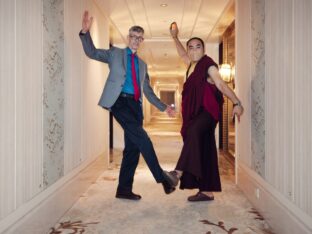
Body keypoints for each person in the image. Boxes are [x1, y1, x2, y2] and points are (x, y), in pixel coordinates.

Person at [78, 11, 178, 201]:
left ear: (142, 41)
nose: (136, 40)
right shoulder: (115, 53)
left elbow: (147, 91)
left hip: (135, 106)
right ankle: (163, 178)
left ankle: (123, 189)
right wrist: (85, 33)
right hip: (119, 102)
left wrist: (165, 107)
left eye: (140, 38)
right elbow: (92, 52)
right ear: (128, 37)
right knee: (144, 139)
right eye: (133, 36)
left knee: (133, 149)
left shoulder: (143, 65)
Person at [168, 22, 244, 201]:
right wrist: (174, 37)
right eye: (191, 47)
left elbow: (220, 83)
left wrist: (236, 102)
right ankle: (207, 191)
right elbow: (181, 54)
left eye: (198, 47)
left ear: (203, 49)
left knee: (194, 132)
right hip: (195, 114)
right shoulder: (191, 66)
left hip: (208, 113)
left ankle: (176, 174)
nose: (194, 50)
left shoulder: (208, 65)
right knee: (205, 148)